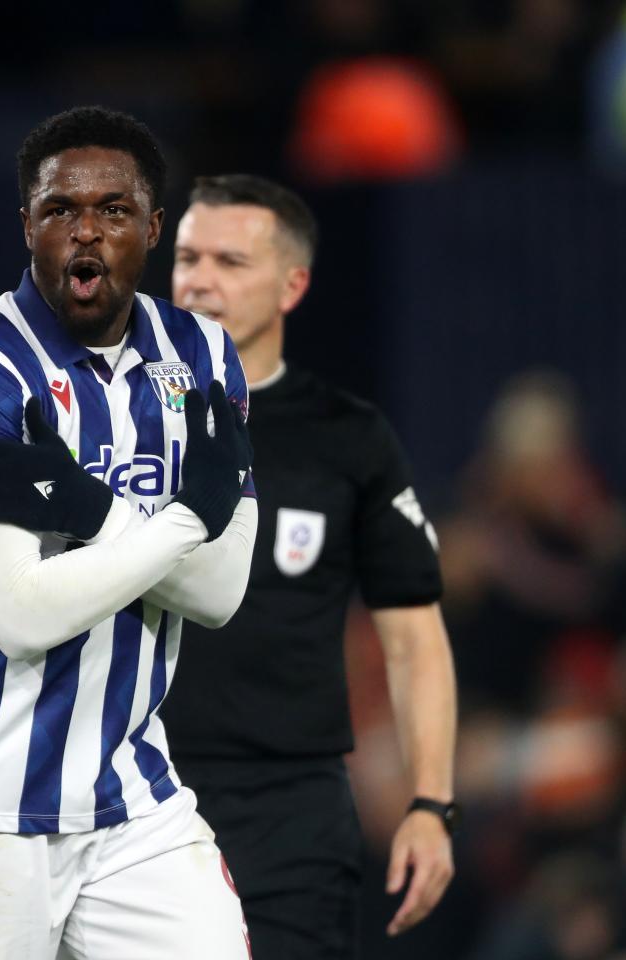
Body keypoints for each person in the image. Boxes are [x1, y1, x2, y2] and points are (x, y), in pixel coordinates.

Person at [0, 106, 258, 959]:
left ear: (153, 228)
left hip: (131, 797)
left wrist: (84, 509)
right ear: (28, 226)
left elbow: (222, 594)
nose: (85, 233)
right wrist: (183, 521)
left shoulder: (203, 357)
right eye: (60, 211)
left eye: (113, 211)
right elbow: (24, 614)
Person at [160, 174, 458, 955]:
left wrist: (432, 803)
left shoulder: (348, 438)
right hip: (132, 786)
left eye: (230, 260)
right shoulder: (109, 414)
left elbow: (413, 636)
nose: (199, 279)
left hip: (288, 808)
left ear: (293, 285)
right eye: (188, 255)